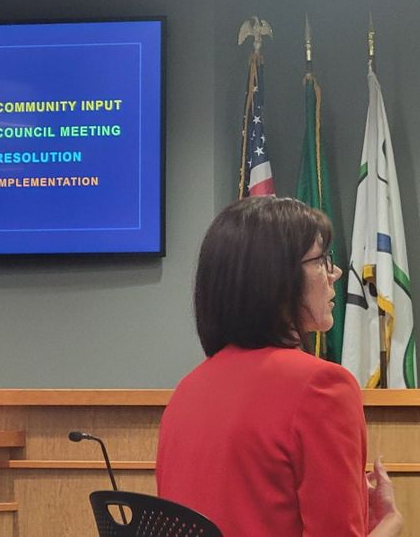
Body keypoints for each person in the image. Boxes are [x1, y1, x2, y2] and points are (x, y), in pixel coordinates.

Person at [155, 197, 403, 536]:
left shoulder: (187, 391)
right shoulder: (323, 386)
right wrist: (389, 523)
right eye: (321, 260)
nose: (335, 273)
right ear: (276, 278)